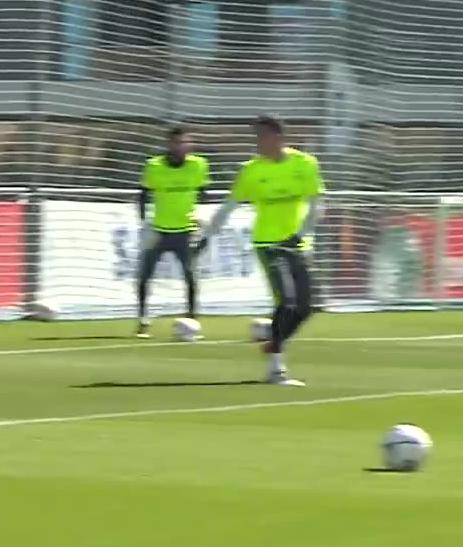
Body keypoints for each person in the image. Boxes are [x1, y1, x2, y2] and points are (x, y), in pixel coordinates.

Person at [195, 115, 324, 386]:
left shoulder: (305, 164)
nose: (258, 143)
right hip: (267, 243)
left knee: (307, 307)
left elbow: (316, 205)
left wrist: (299, 236)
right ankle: (276, 369)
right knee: (286, 301)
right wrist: (206, 236)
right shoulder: (251, 170)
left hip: (297, 244)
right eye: (256, 137)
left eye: (262, 136)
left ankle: (275, 340)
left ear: (278, 137)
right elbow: (229, 206)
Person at [135, 127, 209, 339]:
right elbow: (143, 194)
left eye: (185, 143)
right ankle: (143, 320)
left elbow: (203, 192)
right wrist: (143, 223)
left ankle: (192, 319)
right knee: (145, 275)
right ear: (169, 144)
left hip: (185, 230)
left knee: (190, 276)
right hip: (159, 230)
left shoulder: (199, 165)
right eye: (177, 143)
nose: (181, 147)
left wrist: (201, 215)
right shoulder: (154, 166)